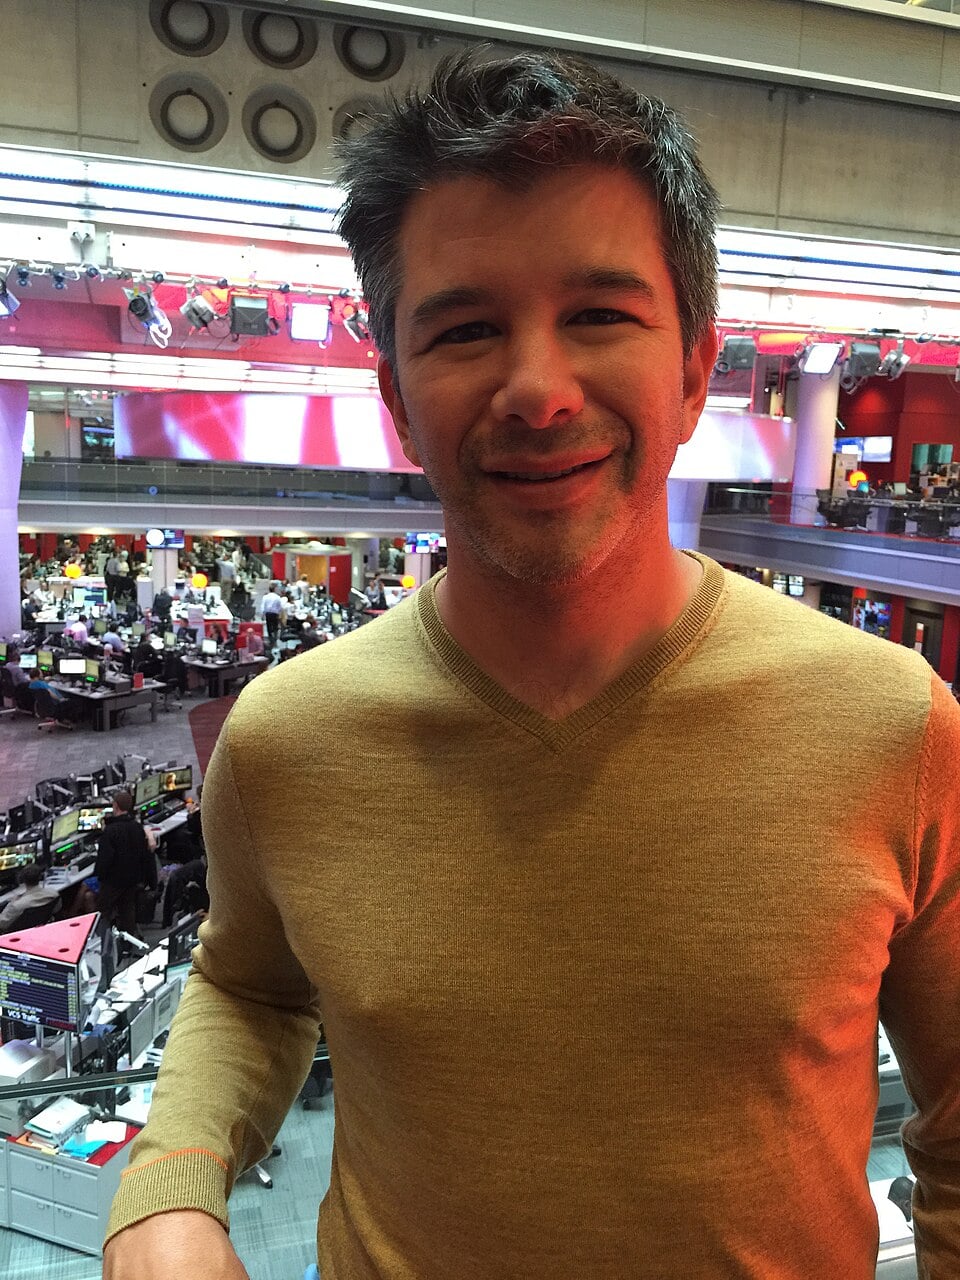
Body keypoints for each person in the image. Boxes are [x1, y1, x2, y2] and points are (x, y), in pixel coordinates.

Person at [103, 51, 960, 1280]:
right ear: (396, 390)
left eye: (600, 314)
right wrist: (167, 1189)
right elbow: (248, 983)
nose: (537, 390)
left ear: (693, 365)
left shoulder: (892, 727)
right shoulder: (288, 740)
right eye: (464, 329)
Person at [95, 789, 157, 942]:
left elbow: (105, 859)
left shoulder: (110, 831)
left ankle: (102, 941)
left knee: (103, 911)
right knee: (127, 909)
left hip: (114, 880)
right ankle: (128, 942)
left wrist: (100, 876)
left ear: (115, 806)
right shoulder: (137, 827)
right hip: (133, 878)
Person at [0, 863, 59, 932]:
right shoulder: (54, 894)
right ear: (40, 876)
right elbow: (56, 909)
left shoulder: (17, 905)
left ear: (22, 880)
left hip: (15, 935)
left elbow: (2, 924)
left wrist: (11, 903)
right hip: (39, 930)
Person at [259, 581, 284, 648]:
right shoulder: (277, 597)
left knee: (269, 627)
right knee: (275, 627)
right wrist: (279, 613)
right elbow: (280, 606)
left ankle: (271, 640)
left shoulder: (265, 597)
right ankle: (275, 639)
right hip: (275, 613)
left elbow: (263, 606)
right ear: (274, 589)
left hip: (268, 613)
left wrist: (262, 614)